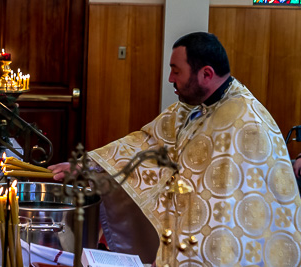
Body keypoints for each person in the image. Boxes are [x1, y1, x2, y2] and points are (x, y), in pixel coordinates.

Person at [49, 32, 301, 266]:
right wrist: (89, 165)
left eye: (176, 71)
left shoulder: (246, 124)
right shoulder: (194, 106)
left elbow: (227, 212)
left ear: (206, 74)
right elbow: (146, 143)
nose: (170, 79)